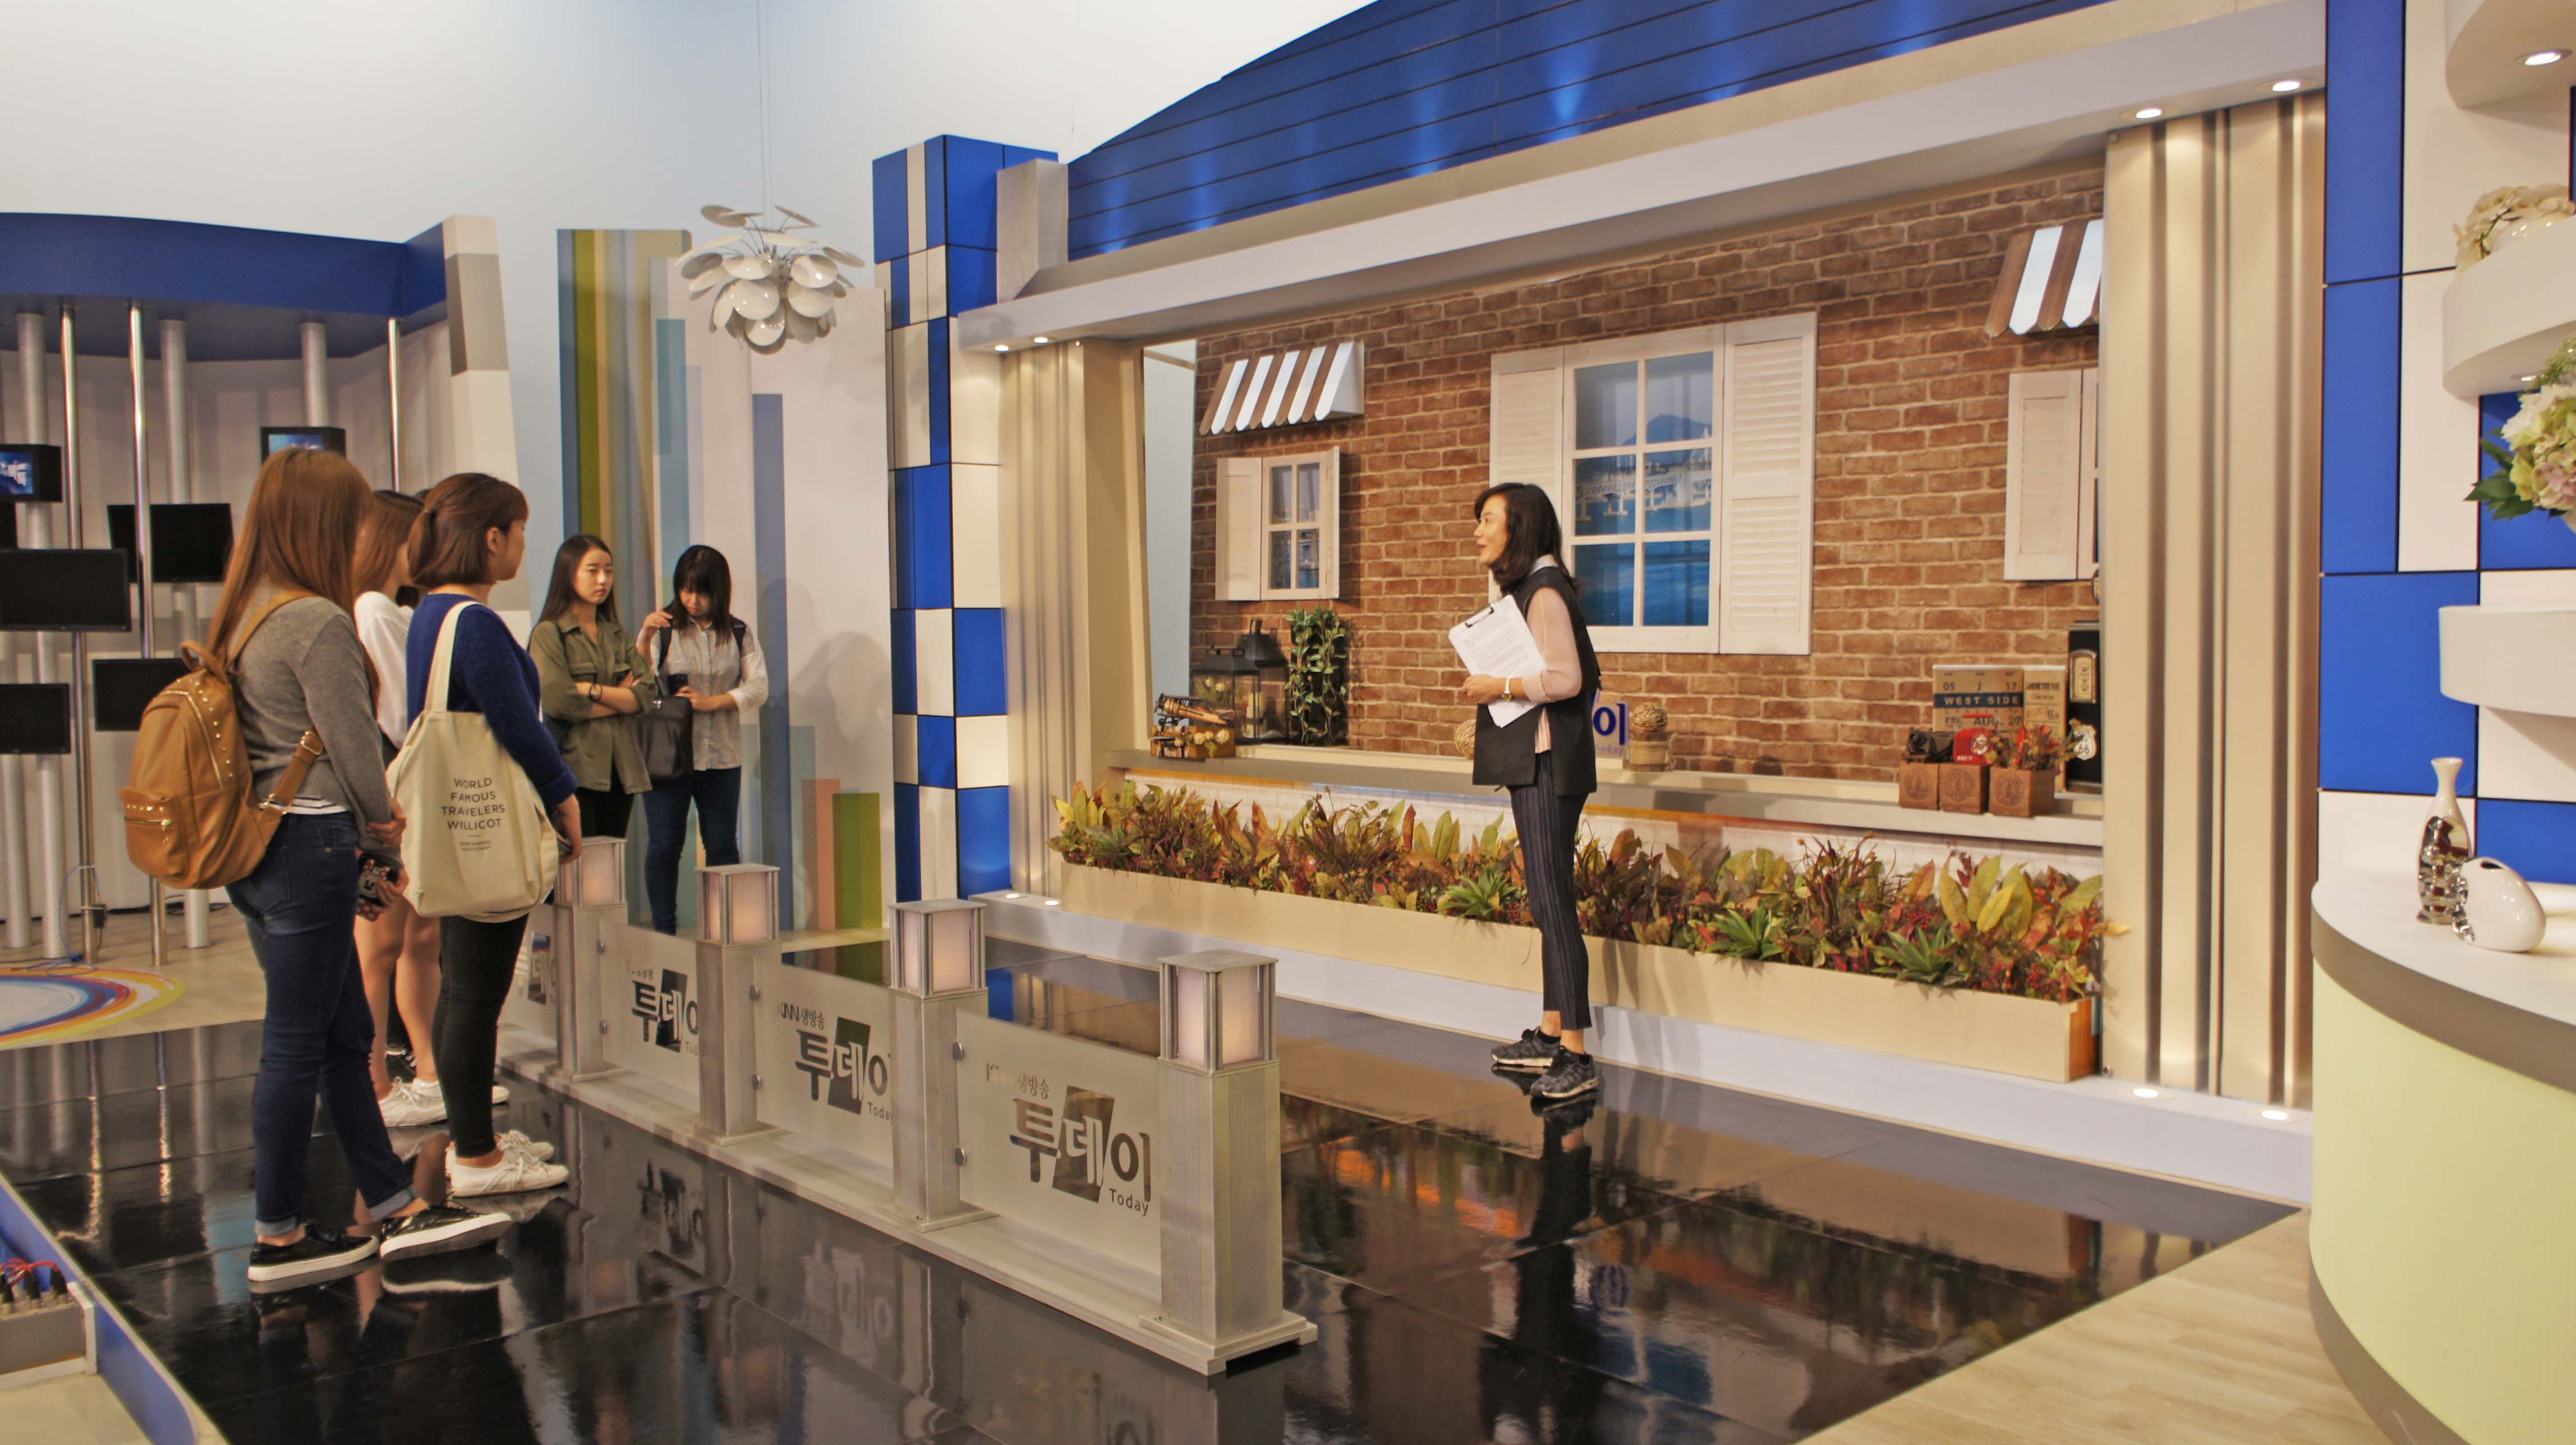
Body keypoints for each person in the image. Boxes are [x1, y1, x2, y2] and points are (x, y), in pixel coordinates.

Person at [213, 448, 509, 1288]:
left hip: (262, 852)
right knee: (296, 1044)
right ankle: (277, 1237)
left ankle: (393, 1202)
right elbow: (354, 750)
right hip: (310, 848)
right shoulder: (315, 620)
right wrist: (386, 837)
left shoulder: (245, 613)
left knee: (344, 1038)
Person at [406, 473, 579, 1198]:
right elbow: (517, 726)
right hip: (487, 826)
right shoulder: (473, 623)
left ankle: (470, 1136)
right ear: (491, 537)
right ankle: (477, 1157)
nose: (524, 546)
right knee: (477, 993)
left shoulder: (430, 613)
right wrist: (563, 795)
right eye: (520, 531)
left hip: (455, 823)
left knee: (461, 986)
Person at [1466, 482, 1604, 1102]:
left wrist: (1498, 685)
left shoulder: (1544, 591)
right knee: (1546, 900)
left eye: (1488, 519)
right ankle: (1551, 1032)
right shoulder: (1531, 588)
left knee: (1553, 903)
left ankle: (1576, 1052)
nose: (1478, 531)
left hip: (1550, 762)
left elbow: (1566, 678)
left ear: (1519, 527)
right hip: (1537, 761)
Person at [349, 490, 449, 1129]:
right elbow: (402, 715)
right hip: (392, 799)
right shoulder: (375, 610)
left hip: (401, 796)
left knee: (417, 938)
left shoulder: (391, 609)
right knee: (383, 942)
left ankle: (427, 1071)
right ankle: (377, 1083)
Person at [634, 544, 768, 935]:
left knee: (723, 845)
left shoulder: (738, 632)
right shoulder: (663, 629)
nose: (692, 600)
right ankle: (665, 935)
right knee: (665, 846)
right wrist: (644, 637)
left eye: (703, 592)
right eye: (686, 590)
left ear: (719, 591)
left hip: (722, 756)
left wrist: (713, 702)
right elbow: (639, 683)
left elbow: (759, 687)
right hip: (668, 757)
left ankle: (725, 933)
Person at [530, 534, 652, 843]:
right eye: (593, 570)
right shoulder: (550, 633)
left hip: (621, 770)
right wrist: (621, 700)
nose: (603, 580)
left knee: (611, 862)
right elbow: (559, 702)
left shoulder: (617, 634)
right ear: (569, 574)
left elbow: (648, 696)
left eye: (609, 571)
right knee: (577, 862)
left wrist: (592, 690)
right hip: (575, 768)